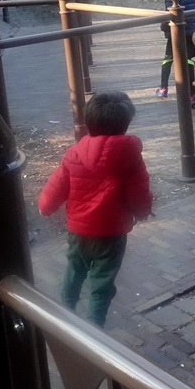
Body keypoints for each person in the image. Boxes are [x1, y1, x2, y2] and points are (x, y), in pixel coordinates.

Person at [38, 91, 153, 327]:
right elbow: (138, 192)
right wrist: (142, 212)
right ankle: (94, 331)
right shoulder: (130, 156)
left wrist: (45, 207)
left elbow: (58, 184)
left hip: (78, 230)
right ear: (125, 124)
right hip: (112, 233)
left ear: (89, 122)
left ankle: (65, 315)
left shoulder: (74, 153)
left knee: (74, 270)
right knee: (102, 283)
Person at [156, 0, 195, 104]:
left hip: (177, 30)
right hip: (191, 29)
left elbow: (171, 13)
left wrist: (165, 26)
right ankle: (193, 94)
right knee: (189, 61)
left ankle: (163, 88)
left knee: (168, 57)